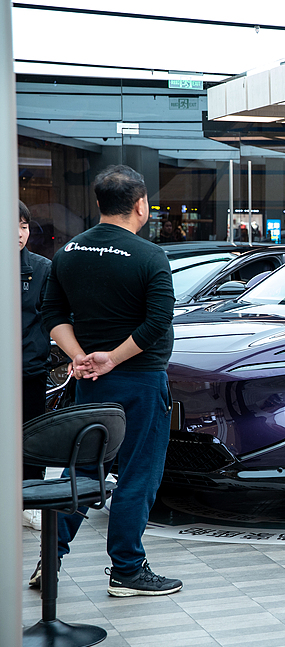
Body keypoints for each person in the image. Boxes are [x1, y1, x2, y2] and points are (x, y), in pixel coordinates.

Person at [39, 164, 182, 596]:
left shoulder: (68, 252)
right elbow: (158, 322)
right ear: (140, 204)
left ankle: (49, 559)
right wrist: (112, 359)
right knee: (138, 474)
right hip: (140, 380)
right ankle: (127, 571)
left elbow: (52, 315)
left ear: (99, 203)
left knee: (83, 471)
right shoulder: (150, 256)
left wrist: (80, 357)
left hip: (91, 382)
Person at [19, 200, 51, 530]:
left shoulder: (41, 268)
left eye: (24, 226)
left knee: (33, 437)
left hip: (30, 369)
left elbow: (54, 316)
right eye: (12, 226)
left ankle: (30, 501)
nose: (19, 233)